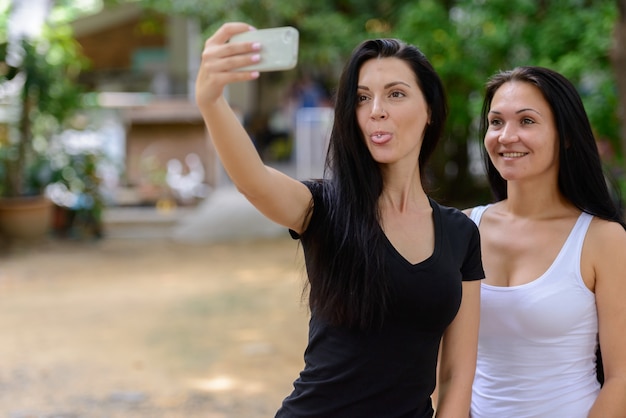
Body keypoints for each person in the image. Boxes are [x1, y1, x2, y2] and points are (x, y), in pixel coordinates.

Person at [195, 22, 484, 417]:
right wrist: (212, 101)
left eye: (396, 94)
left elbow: (456, 377)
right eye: (363, 98)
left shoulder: (461, 234)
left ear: (430, 110)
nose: (376, 110)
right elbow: (254, 182)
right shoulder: (325, 207)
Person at [465, 66, 626, 417]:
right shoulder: (462, 229)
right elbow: (438, 364)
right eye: (496, 122)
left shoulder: (603, 239)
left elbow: (622, 379)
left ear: (565, 135)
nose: (507, 136)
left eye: (527, 121)